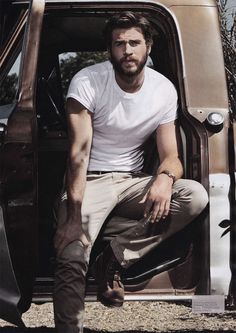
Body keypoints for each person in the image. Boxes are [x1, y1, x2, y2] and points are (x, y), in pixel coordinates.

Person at [53, 11, 208, 333]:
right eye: (119, 44)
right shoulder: (87, 81)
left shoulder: (163, 89)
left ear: (147, 45)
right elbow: (78, 153)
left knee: (193, 195)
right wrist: (72, 219)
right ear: (110, 49)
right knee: (71, 254)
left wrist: (164, 180)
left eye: (134, 42)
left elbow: (172, 156)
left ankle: (113, 257)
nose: (127, 51)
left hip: (131, 181)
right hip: (90, 179)